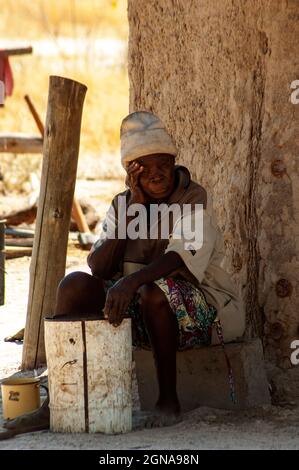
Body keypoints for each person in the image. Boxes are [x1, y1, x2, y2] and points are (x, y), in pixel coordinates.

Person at [2, 111, 245, 436]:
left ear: (174, 162)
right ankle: (58, 400)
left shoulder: (192, 197)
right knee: (74, 285)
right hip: (142, 315)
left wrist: (129, 282)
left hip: (204, 317)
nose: (158, 176)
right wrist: (132, 211)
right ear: (131, 174)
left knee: (154, 290)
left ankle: (168, 401)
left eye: (164, 165)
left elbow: (177, 258)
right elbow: (98, 266)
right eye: (146, 170)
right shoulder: (124, 204)